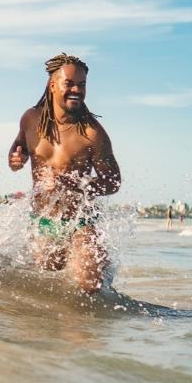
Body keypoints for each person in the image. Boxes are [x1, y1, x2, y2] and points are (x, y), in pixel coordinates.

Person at [8, 53, 120, 294]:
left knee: (89, 285)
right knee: (45, 290)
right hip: (43, 221)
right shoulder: (31, 119)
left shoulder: (92, 133)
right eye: (69, 83)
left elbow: (113, 182)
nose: (76, 90)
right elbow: (19, 147)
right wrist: (16, 158)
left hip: (80, 222)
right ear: (52, 85)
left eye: (82, 85)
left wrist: (77, 184)